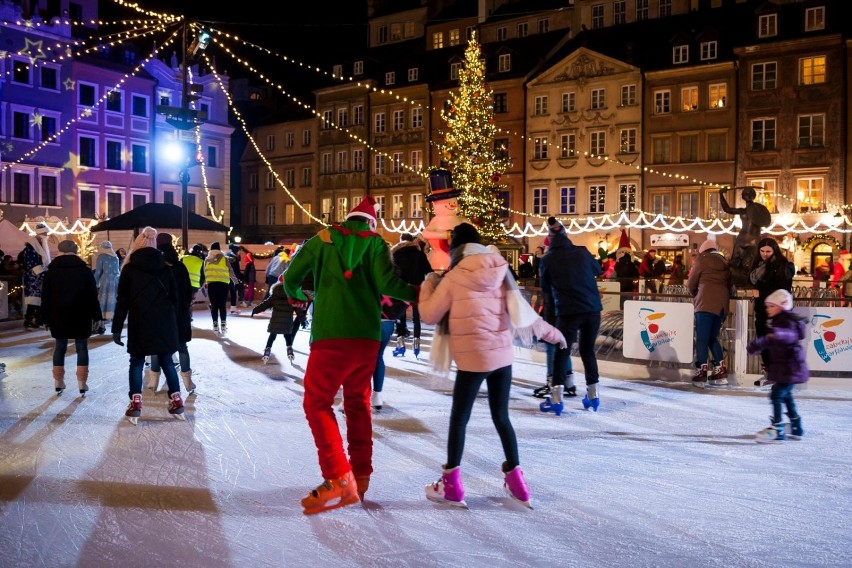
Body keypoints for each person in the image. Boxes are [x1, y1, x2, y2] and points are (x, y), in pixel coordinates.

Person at [283, 196, 418, 515]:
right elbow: (388, 283)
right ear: (371, 223)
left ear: (347, 219)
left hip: (331, 335)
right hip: (367, 338)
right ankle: (361, 474)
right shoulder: (376, 244)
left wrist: (298, 296)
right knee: (358, 402)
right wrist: (422, 294)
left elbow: (291, 277)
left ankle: (337, 475)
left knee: (317, 402)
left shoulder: (323, 239)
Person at [419, 223, 565, 509]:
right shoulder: (501, 269)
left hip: (472, 359)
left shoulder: (453, 277)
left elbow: (428, 314)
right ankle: (518, 484)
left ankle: (451, 486)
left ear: (457, 249)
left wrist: (427, 285)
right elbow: (523, 313)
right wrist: (554, 334)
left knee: (459, 419)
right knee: (501, 418)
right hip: (501, 358)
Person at [112, 227, 185, 424]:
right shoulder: (166, 268)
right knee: (167, 362)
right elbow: (175, 299)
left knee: (136, 362)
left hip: (140, 321)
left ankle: (136, 403)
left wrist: (117, 328)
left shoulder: (129, 269)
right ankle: (177, 400)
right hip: (164, 322)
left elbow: (122, 301)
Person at [539, 216, 604, 414]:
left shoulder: (547, 260)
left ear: (549, 238)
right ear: (566, 234)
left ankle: (557, 398)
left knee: (562, 350)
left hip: (568, 312)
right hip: (592, 309)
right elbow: (598, 269)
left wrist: (549, 321)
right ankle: (593, 395)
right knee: (587, 351)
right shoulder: (582, 252)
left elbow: (546, 292)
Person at [41, 239, 102, 396]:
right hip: (81, 314)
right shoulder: (85, 271)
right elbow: (92, 295)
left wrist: (45, 318)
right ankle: (82, 383)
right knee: (81, 346)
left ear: (59, 251)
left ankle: (58, 382)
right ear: (76, 251)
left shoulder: (51, 272)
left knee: (60, 346)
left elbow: (45, 297)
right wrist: (97, 316)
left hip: (58, 314)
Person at [747, 289, 808, 442]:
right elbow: (769, 340)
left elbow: (789, 335)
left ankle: (778, 427)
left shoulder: (787, 322)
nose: (767, 309)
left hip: (790, 368)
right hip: (786, 368)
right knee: (786, 396)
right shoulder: (777, 322)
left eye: (771, 306)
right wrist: (756, 345)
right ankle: (796, 425)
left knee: (776, 394)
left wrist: (778, 335)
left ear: (781, 307)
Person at [148, 234, 196, 395]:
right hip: (179, 312)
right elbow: (188, 291)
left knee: (156, 347)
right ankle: (188, 381)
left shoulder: (153, 268)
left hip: (158, 313)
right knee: (182, 346)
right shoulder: (180, 267)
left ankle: (153, 381)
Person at [748, 237, 795, 383]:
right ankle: (769, 372)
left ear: (774, 250)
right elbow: (750, 280)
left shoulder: (783, 265)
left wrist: (760, 293)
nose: (765, 254)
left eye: (768, 251)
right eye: (762, 251)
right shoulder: (759, 265)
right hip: (762, 309)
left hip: (777, 310)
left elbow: (782, 289)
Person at [687, 239, 732, 388]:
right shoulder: (725, 263)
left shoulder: (701, 260)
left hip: (705, 303)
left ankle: (702, 371)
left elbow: (691, 283)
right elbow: (730, 285)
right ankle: (720, 369)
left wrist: (696, 294)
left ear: (703, 250)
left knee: (701, 339)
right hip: (721, 305)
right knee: (712, 337)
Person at [719, 186, 771, 285]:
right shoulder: (754, 210)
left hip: (743, 239)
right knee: (746, 266)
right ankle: (743, 284)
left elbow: (727, 209)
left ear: (743, 197)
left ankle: (740, 284)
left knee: (738, 264)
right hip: (751, 240)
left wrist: (721, 194)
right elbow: (727, 209)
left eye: (746, 194)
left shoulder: (744, 211)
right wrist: (721, 194)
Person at [390, 233, 431, 357]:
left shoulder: (395, 254)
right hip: (418, 289)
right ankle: (416, 346)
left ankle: (401, 345)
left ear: (400, 241)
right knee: (416, 319)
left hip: (401, 289)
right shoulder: (420, 254)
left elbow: (392, 273)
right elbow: (429, 272)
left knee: (400, 317)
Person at [251, 274, 296, 364]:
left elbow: (265, 304)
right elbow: (298, 308)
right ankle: (289, 348)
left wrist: (255, 310)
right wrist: (302, 319)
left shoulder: (275, 294)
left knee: (272, 336)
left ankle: (267, 350)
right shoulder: (292, 294)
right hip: (287, 321)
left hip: (275, 321)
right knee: (287, 335)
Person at [203, 241, 239, 336]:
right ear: (219, 249)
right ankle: (223, 325)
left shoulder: (206, 259)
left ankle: (215, 325)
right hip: (223, 284)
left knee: (214, 305)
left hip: (211, 284)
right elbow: (231, 271)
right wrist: (236, 282)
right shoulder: (224, 258)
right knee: (222, 305)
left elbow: (205, 272)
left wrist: (205, 283)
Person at [21, 223, 51, 329]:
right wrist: (41, 272)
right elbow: (32, 262)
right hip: (34, 277)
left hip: (40, 276)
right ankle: (29, 320)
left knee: (40, 299)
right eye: (45, 233)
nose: (46, 235)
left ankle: (38, 319)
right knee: (34, 299)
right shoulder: (31, 246)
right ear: (40, 234)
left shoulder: (40, 244)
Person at [93, 240, 120, 333]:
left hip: (106, 281)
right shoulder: (115, 256)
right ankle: (115, 325)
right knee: (115, 300)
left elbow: (99, 271)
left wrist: (95, 283)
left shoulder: (101, 256)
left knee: (103, 301)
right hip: (116, 280)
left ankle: (101, 325)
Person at [227, 244, 244, 314]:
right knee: (233, 292)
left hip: (225, 276)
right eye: (239, 251)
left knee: (224, 292)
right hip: (233, 277)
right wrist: (240, 277)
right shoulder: (234, 257)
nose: (239, 252)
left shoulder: (227, 255)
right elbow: (236, 269)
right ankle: (233, 308)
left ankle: (213, 304)